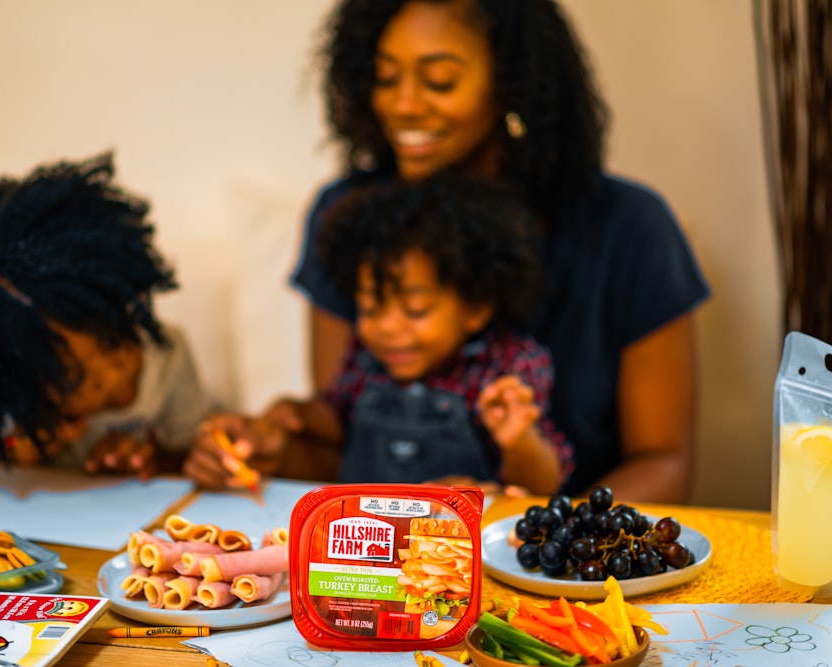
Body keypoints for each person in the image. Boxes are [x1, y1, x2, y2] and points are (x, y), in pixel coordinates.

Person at [287, 0, 709, 502]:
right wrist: (268, 444)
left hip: (569, 559)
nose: (402, 105)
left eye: (439, 80)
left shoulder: (630, 227)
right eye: (384, 78)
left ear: (512, 83)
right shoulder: (349, 219)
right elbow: (344, 438)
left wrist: (543, 543)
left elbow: (664, 461)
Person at [184, 172, 573, 495]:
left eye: (416, 310)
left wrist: (520, 441)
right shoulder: (367, 357)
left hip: (456, 553)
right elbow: (337, 419)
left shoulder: (507, 366)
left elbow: (543, 486)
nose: (387, 327)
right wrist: (296, 414)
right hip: (361, 547)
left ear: (476, 307)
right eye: (370, 308)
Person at [0, 153, 210, 477]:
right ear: (28, 389)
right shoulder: (9, 407)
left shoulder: (168, 354)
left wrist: (151, 460)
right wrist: (20, 453)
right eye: (78, 380)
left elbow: (188, 456)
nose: (115, 376)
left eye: (111, 343)